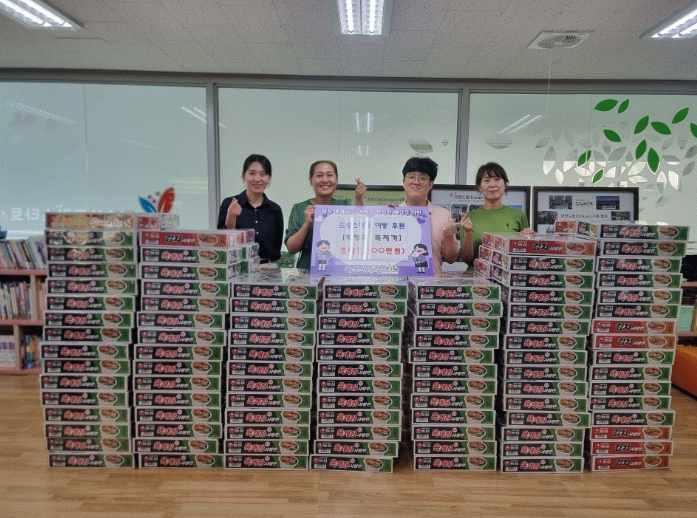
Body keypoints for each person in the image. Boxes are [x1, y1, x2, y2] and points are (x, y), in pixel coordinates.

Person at [285, 160, 366, 270]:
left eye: (330, 175)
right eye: (319, 176)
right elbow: (291, 249)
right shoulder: (300, 208)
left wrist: (359, 198)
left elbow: (359, 233)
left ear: (336, 180)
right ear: (311, 181)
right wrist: (307, 224)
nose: (325, 180)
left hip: (339, 271)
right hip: (307, 272)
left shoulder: (344, 205)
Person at [459, 162, 533, 265]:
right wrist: (468, 233)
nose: (492, 185)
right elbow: (467, 259)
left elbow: (525, 255)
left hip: (508, 273)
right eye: (487, 180)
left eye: (497, 179)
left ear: (505, 184)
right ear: (479, 186)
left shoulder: (519, 215)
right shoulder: (470, 217)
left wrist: (529, 237)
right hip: (477, 274)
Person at [217, 154, 283, 263]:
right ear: (244, 176)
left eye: (263, 174)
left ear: (269, 179)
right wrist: (231, 217)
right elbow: (222, 243)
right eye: (252, 173)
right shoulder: (229, 204)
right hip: (238, 266)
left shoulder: (275, 209)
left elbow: (276, 247)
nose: (257, 179)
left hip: (268, 268)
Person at [399, 156, 459, 275]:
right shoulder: (391, 214)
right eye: (411, 176)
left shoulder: (443, 215)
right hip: (397, 282)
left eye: (422, 178)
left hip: (431, 283)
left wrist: (448, 237)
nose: (416, 182)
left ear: (431, 184)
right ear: (404, 182)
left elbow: (451, 259)